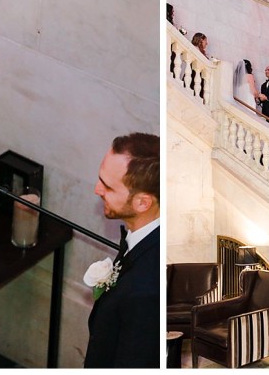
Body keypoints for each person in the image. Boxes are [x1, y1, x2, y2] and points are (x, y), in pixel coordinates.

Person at [84, 133, 160, 368]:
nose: (97, 189)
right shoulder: (141, 240)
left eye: (107, 186)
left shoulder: (146, 289)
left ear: (142, 203)